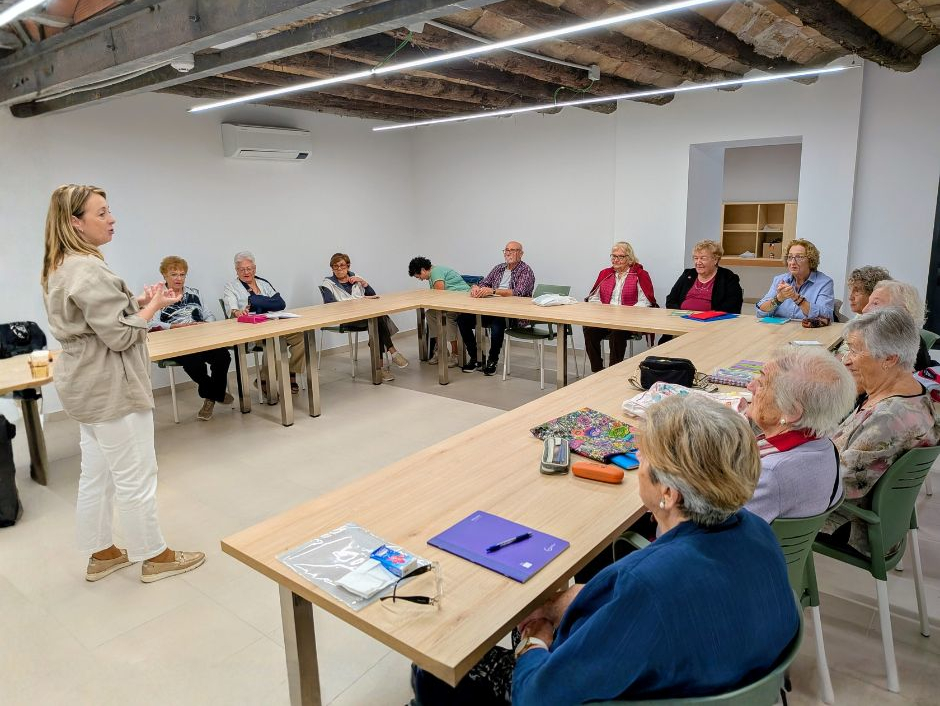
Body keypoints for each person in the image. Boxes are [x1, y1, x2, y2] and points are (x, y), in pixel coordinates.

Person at [411, 396, 799, 705]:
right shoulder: (756, 533)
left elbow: (536, 697)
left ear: (668, 493)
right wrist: (557, 605)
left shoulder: (646, 586)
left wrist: (536, 637)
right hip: (720, 674)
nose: (638, 466)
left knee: (434, 669)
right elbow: (625, 606)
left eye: (643, 458)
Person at [41, 184, 204, 583]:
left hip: (85, 385)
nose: (112, 219)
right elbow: (120, 335)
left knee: (96, 474)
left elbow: (96, 318)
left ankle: (103, 553)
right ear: (75, 223)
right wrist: (152, 307)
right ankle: (155, 556)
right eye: (101, 213)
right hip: (111, 385)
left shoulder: (60, 265)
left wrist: (139, 303)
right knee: (136, 475)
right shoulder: (87, 268)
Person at [820, 308, 940, 556]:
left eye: (855, 350)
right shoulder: (914, 392)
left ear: (890, 359)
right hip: (874, 516)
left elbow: (834, 487)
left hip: (851, 525)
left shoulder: (888, 419)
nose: (846, 360)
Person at [744, 346, 857, 523]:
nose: (750, 386)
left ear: (791, 411)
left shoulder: (771, 473)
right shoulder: (824, 445)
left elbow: (716, 527)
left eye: (762, 384)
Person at [150, 256, 233, 421]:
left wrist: (205, 323)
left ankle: (211, 395)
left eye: (182, 274)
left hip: (200, 338)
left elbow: (209, 315)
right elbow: (151, 323)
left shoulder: (194, 293)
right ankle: (215, 393)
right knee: (193, 361)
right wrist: (174, 326)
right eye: (174, 274)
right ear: (164, 275)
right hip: (176, 342)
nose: (179, 278)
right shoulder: (158, 296)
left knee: (223, 356)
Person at [222, 251, 305, 395]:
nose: (246, 272)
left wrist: (258, 302)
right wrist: (239, 312)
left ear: (254, 268)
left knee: (300, 337)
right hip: (250, 331)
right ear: (236, 270)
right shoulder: (231, 287)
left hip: (273, 325)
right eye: (242, 269)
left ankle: (291, 372)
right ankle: (265, 380)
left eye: (249, 268)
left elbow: (280, 303)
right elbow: (233, 310)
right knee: (273, 341)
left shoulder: (263, 283)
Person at [321, 252, 408, 382]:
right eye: (335, 266)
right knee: (378, 319)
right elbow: (330, 304)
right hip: (348, 320)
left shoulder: (356, 278)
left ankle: (380, 367)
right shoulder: (328, 283)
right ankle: (393, 352)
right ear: (332, 268)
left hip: (365, 317)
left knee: (377, 320)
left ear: (348, 266)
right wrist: (355, 303)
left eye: (342, 265)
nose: (339, 269)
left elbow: (373, 295)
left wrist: (363, 283)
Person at [455, 241, 536, 376]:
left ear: (521, 254)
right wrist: (476, 287)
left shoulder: (525, 270)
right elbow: (484, 283)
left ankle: (493, 359)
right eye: (506, 250)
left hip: (513, 314)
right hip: (490, 309)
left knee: (497, 322)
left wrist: (493, 291)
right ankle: (476, 357)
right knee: (462, 319)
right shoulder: (498, 268)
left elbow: (519, 292)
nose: (508, 253)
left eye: (513, 250)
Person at [582, 241, 658, 373]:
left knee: (617, 333)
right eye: (613, 256)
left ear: (629, 258)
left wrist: (625, 314)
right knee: (589, 330)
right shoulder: (605, 273)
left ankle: (613, 371)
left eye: (620, 257)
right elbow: (593, 297)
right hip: (606, 319)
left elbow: (645, 301)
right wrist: (603, 310)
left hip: (628, 322)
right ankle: (598, 370)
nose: (616, 260)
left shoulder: (640, 274)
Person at [408, 256, 470, 367]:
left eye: (419, 276)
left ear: (423, 270)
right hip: (453, 301)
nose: (420, 279)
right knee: (430, 314)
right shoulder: (433, 275)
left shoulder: (436, 272)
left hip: (463, 302)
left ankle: (455, 353)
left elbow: (439, 294)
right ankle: (441, 350)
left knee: (446, 315)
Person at [756, 239, 833, 320]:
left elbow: (826, 317)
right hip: (780, 327)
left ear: (811, 260)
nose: (792, 262)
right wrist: (779, 299)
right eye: (790, 257)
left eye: (799, 257)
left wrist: (796, 298)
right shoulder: (779, 280)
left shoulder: (824, 283)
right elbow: (760, 312)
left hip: (806, 328)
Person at [863, 279, 932, 371]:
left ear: (902, 311)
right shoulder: (876, 336)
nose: (864, 310)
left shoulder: (903, 347)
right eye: (868, 302)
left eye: (875, 303)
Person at [664, 239, 743, 313]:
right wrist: (680, 314)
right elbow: (671, 300)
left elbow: (733, 305)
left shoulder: (728, 277)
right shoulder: (688, 274)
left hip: (712, 320)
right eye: (696, 258)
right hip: (682, 318)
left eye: (703, 258)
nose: (698, 262)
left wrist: (709, 316)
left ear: (715, 260)